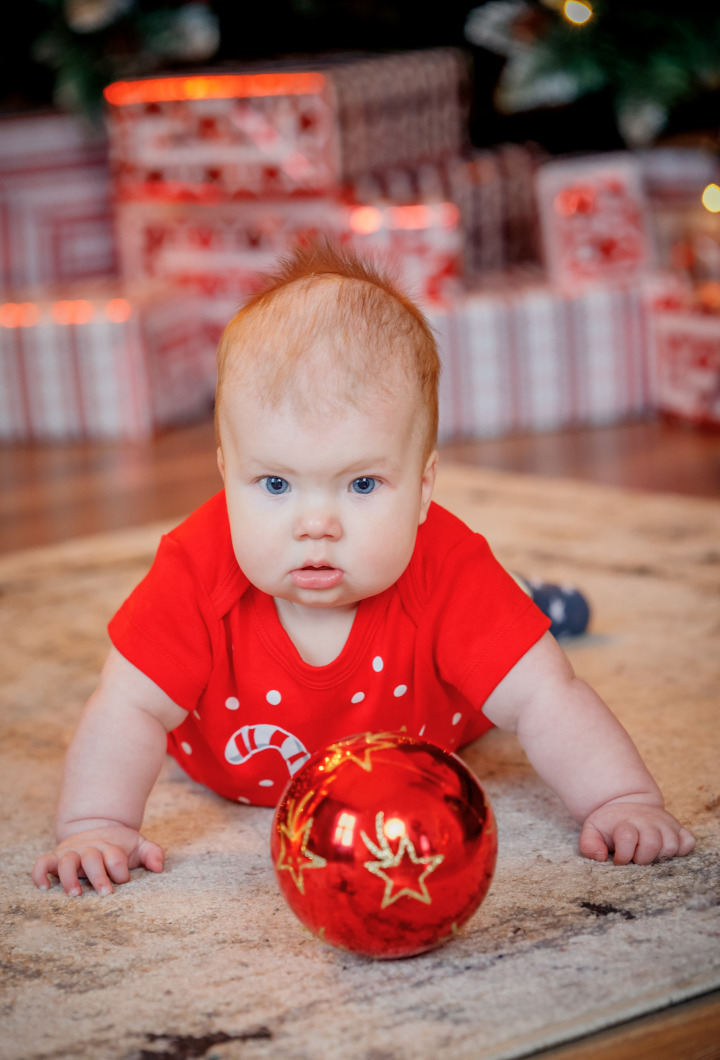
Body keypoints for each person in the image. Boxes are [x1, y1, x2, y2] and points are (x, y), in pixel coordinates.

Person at [32, 241, 695, 898]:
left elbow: (548, 698)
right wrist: (98, 823)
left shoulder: (445, 565)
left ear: (423, 489)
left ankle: (529, 600)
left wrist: (621, 799)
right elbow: (127, 706)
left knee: (514, 641)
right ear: (225, 474)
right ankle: (524, 594)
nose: (315, 524)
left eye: (362, 486)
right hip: (224, 770)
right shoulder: (196, 566)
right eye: (274, 485)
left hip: (447, 689)